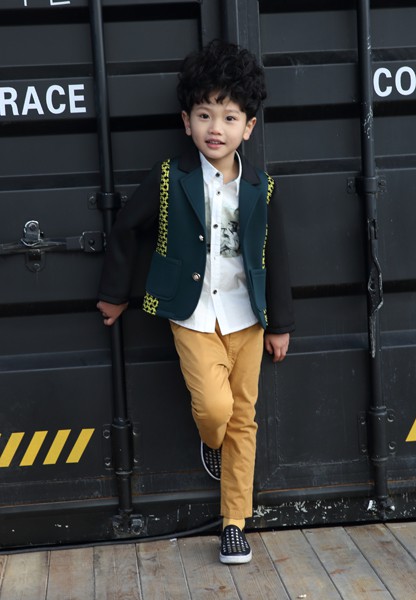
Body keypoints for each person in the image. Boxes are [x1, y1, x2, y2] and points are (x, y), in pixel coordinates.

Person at [97, 39, 295, 564]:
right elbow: (126, 228)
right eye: (205, 115)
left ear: (248, 127)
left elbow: (277, 255)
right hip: (192, 313)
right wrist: (116, 296)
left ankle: (234, 523)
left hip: (248, 317)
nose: (216, 128)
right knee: (216, 410)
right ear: (186, 122)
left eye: (229, 117)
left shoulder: (261, 187)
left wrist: (280, 324)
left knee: (244, 417)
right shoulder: (170, 177)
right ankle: (213, 442)